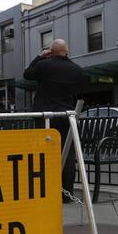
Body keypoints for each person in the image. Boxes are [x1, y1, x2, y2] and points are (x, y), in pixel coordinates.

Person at [24, 39, 89, 203]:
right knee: (67, 154)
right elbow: (82, 86)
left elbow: (27, 74)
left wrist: (40, 57)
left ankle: (44, 189)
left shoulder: (44, 65)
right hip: (66, 115)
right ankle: (66, 192)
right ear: (66, 52)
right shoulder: (76, 69)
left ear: (51, 52)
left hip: (45, 115)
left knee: (43, 154)